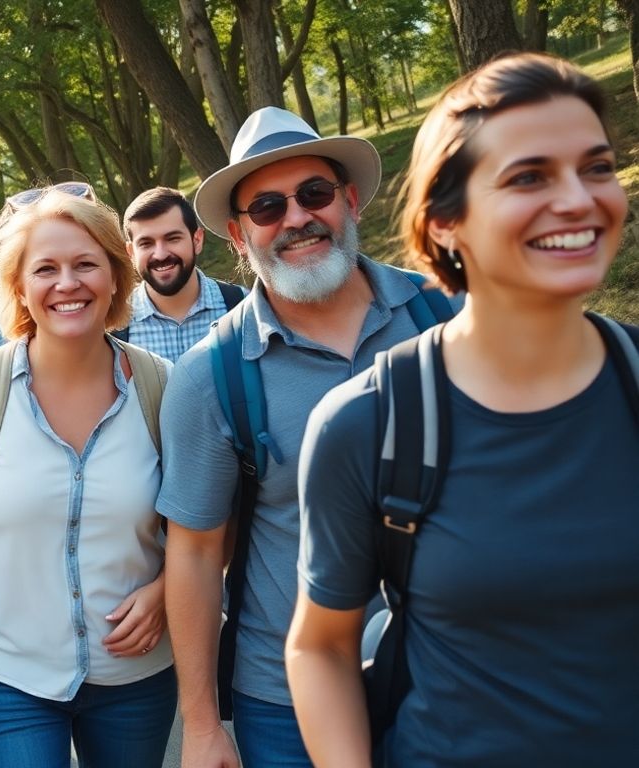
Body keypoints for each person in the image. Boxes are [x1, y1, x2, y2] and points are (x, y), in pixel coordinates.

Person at [288, 53, 638, 767]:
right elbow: (320, 645)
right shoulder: (367, 424)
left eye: (597, 167)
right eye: (529, 176)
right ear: (445, 221)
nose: (578, 199)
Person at [157, 106, 454, 768]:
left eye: (314, 194)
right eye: (267, 207)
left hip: (458, 677)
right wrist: (202, 726)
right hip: (284, 704)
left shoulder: (449, 318)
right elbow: (197, 558)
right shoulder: (210, 378)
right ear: (237, 235)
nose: (296, 218)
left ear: (349, 200)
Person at [0, 187, 175, 767]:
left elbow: (208, 531)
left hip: (135, 676)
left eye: (86, 264)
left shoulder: (164, 388)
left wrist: (164, 592)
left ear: (115, 274)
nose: (68, 283)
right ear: (20, 288)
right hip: (10, 675)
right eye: (46, 269)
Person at [117, 187, 244, 361]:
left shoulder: (243, 306)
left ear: (197, 240)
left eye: (172, 239)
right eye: (146, 243)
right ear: (131, 252)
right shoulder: (116, 328)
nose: (160, 254)